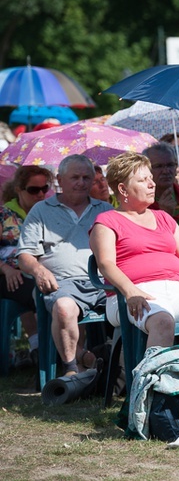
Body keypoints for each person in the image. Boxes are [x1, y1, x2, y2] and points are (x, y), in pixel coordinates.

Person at [89, 153, 179, 347]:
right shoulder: (107, 221)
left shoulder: (164, 217)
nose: (152, 184)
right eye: (143, 180)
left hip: (178, 291)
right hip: (131, 295)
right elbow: (105, 263)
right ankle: (153, 376)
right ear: (123, 189)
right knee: (163, 321)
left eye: (150, 178)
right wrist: (130, 291)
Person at [17, 155, 114, 376]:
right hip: (62, 283)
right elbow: (24, 255)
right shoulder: (41, 210)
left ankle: (122, 369)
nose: (81, 182)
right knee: (63, 307)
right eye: (75, 177)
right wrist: (39, 270)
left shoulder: (105, 210)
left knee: (135, 305)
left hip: (103, 283)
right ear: (59, 179)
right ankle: (72, 370)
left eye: (86, 177)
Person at [0, 166, 54, 366]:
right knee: (39, 292)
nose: (40, 194)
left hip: (41, 271)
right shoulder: (4, 214)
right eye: (33, 190)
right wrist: (6, 269)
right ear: (19, 190)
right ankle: (42, 348)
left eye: (44, 189)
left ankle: (43, 347)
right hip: (9, 275)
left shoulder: (49, 213)